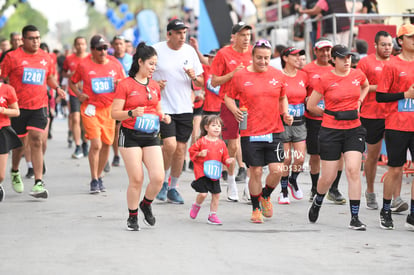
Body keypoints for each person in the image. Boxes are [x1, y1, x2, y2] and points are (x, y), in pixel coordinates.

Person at [226, 39, 293, 223]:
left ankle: (265, 195)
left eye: (266, 58)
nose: (263, 62)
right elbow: (228, 97)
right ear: (252, 56)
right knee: (255, 172)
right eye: (259, 58)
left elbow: (283, 97)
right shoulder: (241, 76)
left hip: (274, 130)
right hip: (251, 131)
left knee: (278, 169)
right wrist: (235, 110)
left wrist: (285, 113)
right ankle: (256, 209)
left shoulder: (278, 75)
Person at [307, 44, 369, 230]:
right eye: (342, 57)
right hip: (330, 132)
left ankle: (355, 217)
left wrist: (359, 101)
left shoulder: (357, 75)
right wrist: (328, 114)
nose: (347, 60)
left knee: (352, 170)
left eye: (349, 57)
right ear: (333, 59)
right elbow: (311, 105)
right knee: (328, 176)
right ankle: (318, 199)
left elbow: (365, 86)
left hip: (354, 130)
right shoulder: (325, 79)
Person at [111, 42, 171, 231]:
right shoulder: (125, 84)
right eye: (151, 64)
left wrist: (163, 116)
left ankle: (146, 204)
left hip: (151, 134)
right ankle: (132, 216)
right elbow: (114, 113)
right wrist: (131, 113)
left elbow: (157, 108)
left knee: (158, 177)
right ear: (140, 62)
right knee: (136, 178)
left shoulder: (154, 85)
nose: (154, 68)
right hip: (130, 136)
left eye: (155, 64)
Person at [0, 25, 65, 199]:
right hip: (18, 108)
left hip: (39, 105)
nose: (36, 41)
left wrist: (57, 88)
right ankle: (15, 171)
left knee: (36, 139)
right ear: (23, 39)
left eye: (37, 37)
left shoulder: (46, 58)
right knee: (20, 145)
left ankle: (38, 182)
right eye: (32, 38)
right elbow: (3, 78)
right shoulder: (12, 57)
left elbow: (50, 77)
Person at [152, 19, 204, 204]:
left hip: (184, 108)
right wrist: (154, 85)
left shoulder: (190, 52)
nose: (183, 37)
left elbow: (201, 82)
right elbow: (141, 75)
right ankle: (163, 182)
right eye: (178, 33)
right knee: (170, 145)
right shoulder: (156, 50)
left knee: (181, 150)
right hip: (163, 107)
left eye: (184, 33)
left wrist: (194, 77)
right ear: (169, 34)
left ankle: (173, 187)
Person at [356, 31, 408, 211]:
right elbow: (359, 86)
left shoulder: (398, 62)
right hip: (372, 115)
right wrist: (381, 87)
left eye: (389, 45)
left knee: (397, 160)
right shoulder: (366, 63)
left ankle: (397, 198)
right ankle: (370, 192)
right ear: (376, 45)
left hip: (395, 115)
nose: (387, 48)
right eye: (383, 44)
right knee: (372, 156)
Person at [69, 34, 125, 194]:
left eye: (105, 48)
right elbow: (72, 82)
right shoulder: (83, 65)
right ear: (92, 50)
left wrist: (119, 84)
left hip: (108, 109)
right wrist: (79, 94)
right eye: (99, 49)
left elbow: (124, 83)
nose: (103, 51)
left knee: (107, 144)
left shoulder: (115, 65)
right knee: (96, 144)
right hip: (90, 109)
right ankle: (94, 179)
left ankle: (99, 176)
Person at [376, 24, 414, 231]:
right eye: (410, 37)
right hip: (396, 125)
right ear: (400, 40)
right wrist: (404, 95)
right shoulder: (392, 65)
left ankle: (413, 214)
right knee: (395, 169)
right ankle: (386, 210)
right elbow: (380, 96)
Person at [211, 21, 253, 202]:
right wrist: (232, 74)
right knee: (234, 145)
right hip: (230, 102)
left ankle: (250, 185)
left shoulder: (254, 52)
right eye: (242, 35)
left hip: (252, 102)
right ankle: (231, 181)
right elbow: (214, 82)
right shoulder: (223, 54)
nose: (245, 39)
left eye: (248, 35)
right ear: (234, 37)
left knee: (252, 144)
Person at [302, 38, 346, 204]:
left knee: (339, 154)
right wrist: (308, 101)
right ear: (315, 51)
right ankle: (315, 188)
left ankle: (333, 189)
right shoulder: (307, 70)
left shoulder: (337, 68)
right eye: (322, 50)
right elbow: (302, 92)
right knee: (315, 155)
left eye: (328, 50)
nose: (325, 53)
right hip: (314, 118)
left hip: (336, 118)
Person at [189, 115, 234, 225]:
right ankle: (197, 205)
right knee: (203, 194)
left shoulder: (221, 143)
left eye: (219, 126)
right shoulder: (201, 141)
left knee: (216, 194)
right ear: (206, 127)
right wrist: (199, 153)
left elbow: (225, 156)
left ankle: (212, 215)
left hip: (215, 172)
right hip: (202, 172)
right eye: (213, 125)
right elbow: (191, 151)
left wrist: (227, 161)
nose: (217, 128)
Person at [278, 47, 308, 204]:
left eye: (300, 55)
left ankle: (292, 180)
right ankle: (283, 191)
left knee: (300, 158)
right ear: (285, 58)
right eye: (295, 55)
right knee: (286, 159)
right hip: (283, 123)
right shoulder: (278, 76)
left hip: (300, 122)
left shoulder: (304, 76)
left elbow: (308, 96)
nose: (298, 58)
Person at [62, 36, 89, 159]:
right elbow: (63, 72)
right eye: (78, 44)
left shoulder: (90, 58)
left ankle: (84, 143)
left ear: (86, 45)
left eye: (82, 44)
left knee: (84, 120)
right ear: (74, 45)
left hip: (87, 93)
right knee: (76, 119)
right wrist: (70, 75)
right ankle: (77, 145)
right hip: (74, 92)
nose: (80, 46)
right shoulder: (69, 59)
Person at [110, 35, 133, 167]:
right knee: (116, 128)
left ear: (125, 45)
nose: (119, 46)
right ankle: (116, 155)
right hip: (115, 98)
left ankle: (131, 153)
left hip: (130, 97)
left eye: (121, 44)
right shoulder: (110, 60)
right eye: (116, 44)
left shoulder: (132, 59)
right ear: (113, 46)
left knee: (130, 126)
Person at [0, 82, 22, 202]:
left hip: (2, 130)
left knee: (1, 175)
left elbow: (16, 111)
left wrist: (2, 110)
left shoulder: (7, 89)